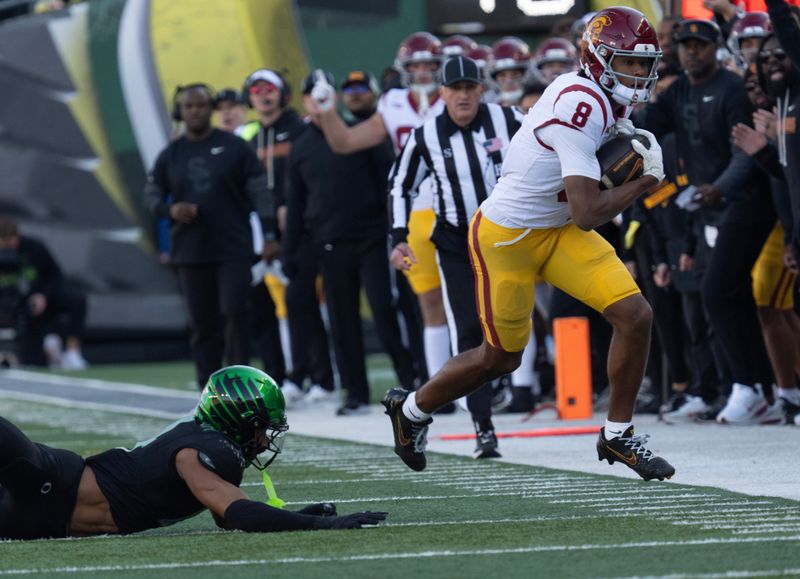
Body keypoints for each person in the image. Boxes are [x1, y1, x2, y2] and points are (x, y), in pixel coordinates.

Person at [380, 7, 675, 481]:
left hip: (557, 230)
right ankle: (411, 410)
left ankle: (618, 436)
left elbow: (580, 207)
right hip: (508, 238)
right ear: (597, 58)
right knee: (500, 357)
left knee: (635, 315)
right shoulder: (581, 103)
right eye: (628, 62)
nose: (638, 74)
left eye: (644, 64)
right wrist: (645, 184)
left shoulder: (606, 98)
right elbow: (589, 210)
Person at [0, 365, 388, 540]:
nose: (265, 439)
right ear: (237, 420)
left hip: (38, 523)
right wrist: (319, 527)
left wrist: (293, 516)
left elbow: (230, 517)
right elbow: (237, 512)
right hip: (51, 483)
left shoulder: (215, 450)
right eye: (260, 428)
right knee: (26, 466)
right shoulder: (202, 449)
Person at [644, 19, 781, 425]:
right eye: (685, 45)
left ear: (716, 48)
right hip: (706, 207)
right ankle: (759, 388)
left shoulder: (732, 89)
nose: (692, 51)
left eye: (700, 45)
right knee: (727, 295)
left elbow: (745, 152)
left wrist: (719, 188)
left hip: (745, 200)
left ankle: (747, 385)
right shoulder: (680, 90)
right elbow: (648, 128)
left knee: (718, 291)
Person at [388, 56, 523, 457]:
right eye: (455, 89)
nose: (463, 95)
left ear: (482, 90)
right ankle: (483, 427)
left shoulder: (509, 119)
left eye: (470, 87)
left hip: (507, 237)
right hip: (457, 244)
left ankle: (510, 386)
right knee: (466, 332)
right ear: (442, 93)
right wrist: (398, 237)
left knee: (511, 322)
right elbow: (400, 187)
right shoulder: (426, 134)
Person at [309, 33, 451, 387]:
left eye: (429, 65)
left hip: (460, 207)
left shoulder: (456, 95)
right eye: (415, 66)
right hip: (417, 210)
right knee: (430, 303)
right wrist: (326, 110)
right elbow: (345, 142)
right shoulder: (393, 103)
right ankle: (442, 386)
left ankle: (503, 381)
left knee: (475, 299)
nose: (422, 73)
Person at [285, 71, 417, 415]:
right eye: (312, 95)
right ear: (305, 101)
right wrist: (291, 251)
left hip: (372, 239)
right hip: (329, 244)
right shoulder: (300, 146)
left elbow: (389, 184)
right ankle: (354, 392)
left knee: (385, 312)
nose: (319, 102)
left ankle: (411, 386)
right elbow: (296, 203)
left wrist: (394, 233)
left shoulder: (357, 134)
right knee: (342, 322)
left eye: (324, 94)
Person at [144, 84, 278, 388]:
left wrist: (269, 234)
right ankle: (207, 385)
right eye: (188, 106)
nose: (194, 111)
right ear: (181, 111)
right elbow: (151, 194)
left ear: (211, 109)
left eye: (201, 105)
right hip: (190, 249)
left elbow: (259, 191)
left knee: (235, 313)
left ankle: (239, 384)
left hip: (233, 247)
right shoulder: (171, 153)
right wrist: (171, 209)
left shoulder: (235, 147)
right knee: (203, 323)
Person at [239, 69, 307, 404]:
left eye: (269, 89)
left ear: (283, 94)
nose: (263, 95)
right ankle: (286, 376)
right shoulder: (251, 137)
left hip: (299, 229)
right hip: (261, 234)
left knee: (305, 303)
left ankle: (318, 375)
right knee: (274, 308)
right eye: (256, 90)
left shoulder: (298, 129)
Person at [0, 216, 88, 370]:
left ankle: (72, 351)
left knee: (77, 300)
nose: (8, 246)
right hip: (20, 307)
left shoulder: (34, 248)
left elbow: (55, 275)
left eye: (10, 240)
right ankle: (50, 350)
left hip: (43, 298)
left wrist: (43, 296)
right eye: (4, 242)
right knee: (31, 362)